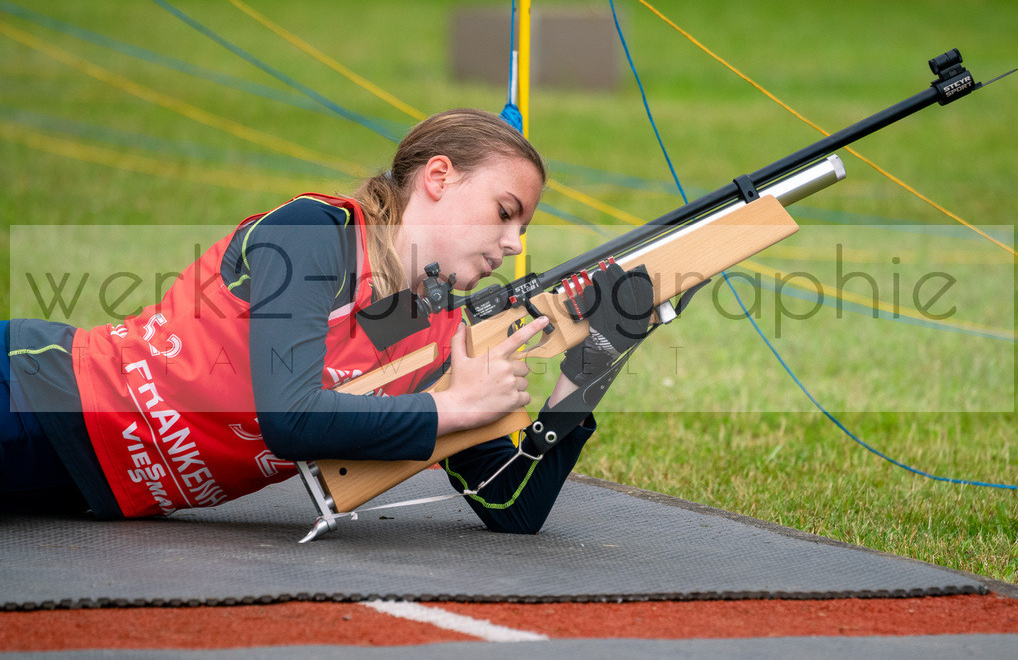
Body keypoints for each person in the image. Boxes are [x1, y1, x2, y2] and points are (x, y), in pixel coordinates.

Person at [1, 108, 653, 534]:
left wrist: (593, 363)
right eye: (504, 210)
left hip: (90, 491)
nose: (514, 243)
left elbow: (514, 503)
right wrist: (450, 410)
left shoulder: (444, 337)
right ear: (439, 178)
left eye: (524, 226)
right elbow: (288, 417)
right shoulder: (313, 233)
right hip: (35, 396)